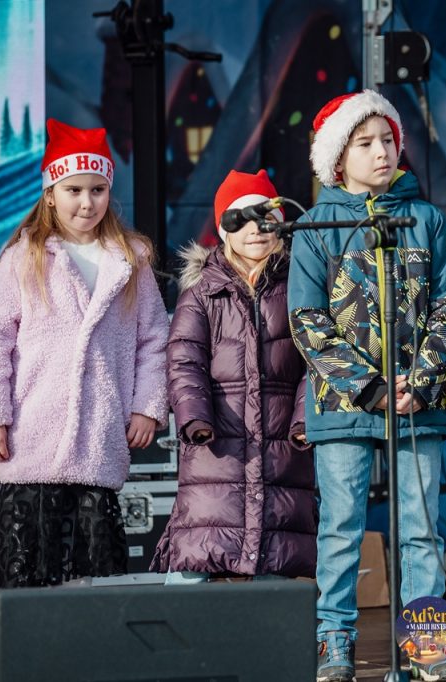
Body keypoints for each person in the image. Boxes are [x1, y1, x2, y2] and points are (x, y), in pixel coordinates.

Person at [288, 89, 446, 682]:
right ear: (338, 158)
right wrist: (371, 388)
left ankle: (427, 647)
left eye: (388, 139)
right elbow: (307, 320)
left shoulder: (426, 219)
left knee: (421, 529)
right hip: (345, 406)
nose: (381, 151)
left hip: (418, 402)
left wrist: (422, 380)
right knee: (341, 528)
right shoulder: (317, 227)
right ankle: (334, 643)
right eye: (365, 143)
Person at [0, 118, 169, 588]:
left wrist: (146, 407)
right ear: (51, 194)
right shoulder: (24, 258)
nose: (86, 202)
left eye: (98, 190)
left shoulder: (129, 260)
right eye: (74, 190)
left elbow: (154, 339)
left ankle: (92, 635)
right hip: (31, 434)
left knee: (95, 563)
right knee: (27, 561)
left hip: (99, 436)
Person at [151, 169, 316, 582]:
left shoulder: (301, 289)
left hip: (282, 443)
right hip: (217, 446)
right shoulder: (202, 294)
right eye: (240, 219)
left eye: (266, 218)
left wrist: (304, 420)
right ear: (223, 229)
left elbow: (316, 362)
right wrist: (194, 417)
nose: (255, 230)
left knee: (279, 548)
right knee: (206, 538)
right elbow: (184, 360)